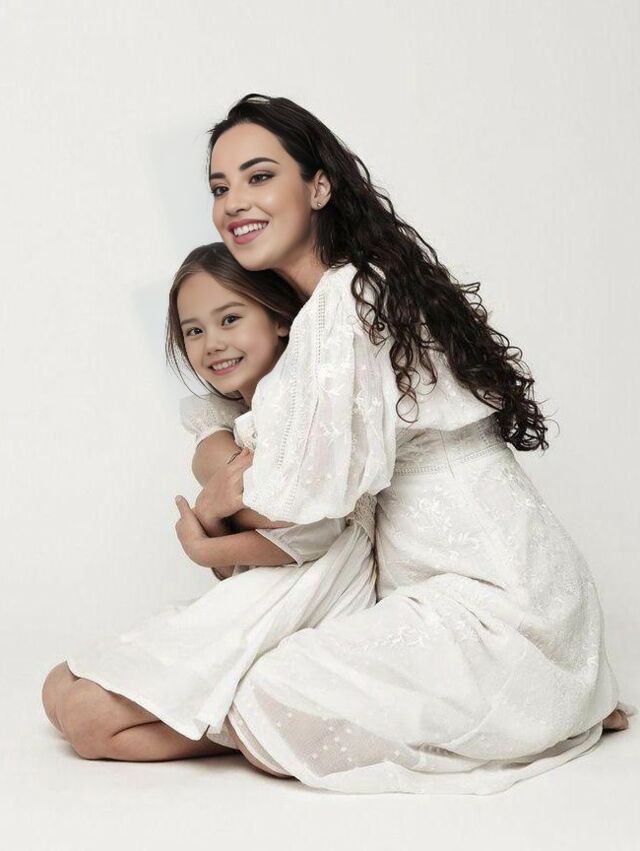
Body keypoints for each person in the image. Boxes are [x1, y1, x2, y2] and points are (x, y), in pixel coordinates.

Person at [44, 92, 634, 793]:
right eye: (220, 187)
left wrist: (210, 517)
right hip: (480, 593)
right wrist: (218, 467)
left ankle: (542, 708)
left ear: (319, 187)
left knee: (269, 686)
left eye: (260, 176)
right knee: (216, 688)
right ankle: (552, 703)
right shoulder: (345, 298)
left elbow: (302, 500)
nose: (235, 202)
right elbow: (270, 460)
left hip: (495, 605)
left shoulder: (348, 299)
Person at [42, 242, 377, 759]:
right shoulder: (235, 422)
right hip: (268, 585)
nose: (212, 344)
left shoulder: (305, 409)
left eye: (230, 319)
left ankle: (245, 726)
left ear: (280, 319)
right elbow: (239, 561)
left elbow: (314, 534)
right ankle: (211, 705)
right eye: (194, 331)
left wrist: (205, 535)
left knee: (88, 721)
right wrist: (214, 517)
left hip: (318, 589)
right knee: (56, 688)